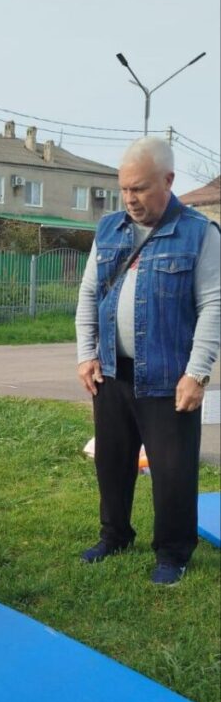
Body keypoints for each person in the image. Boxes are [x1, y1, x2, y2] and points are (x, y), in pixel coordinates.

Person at [75, 136, 220, 586]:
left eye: (139, 188)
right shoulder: (109, 229)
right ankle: (114, 535)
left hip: (169, 377)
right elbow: (89, 293)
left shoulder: (199, 232)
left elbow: (213, 304)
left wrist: (198, 373)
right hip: (112, 373)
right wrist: (85, 355)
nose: (129, 198)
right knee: (112, 464)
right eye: (124, 188)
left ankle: (173, 553)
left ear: (168, 181)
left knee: (173, 472)